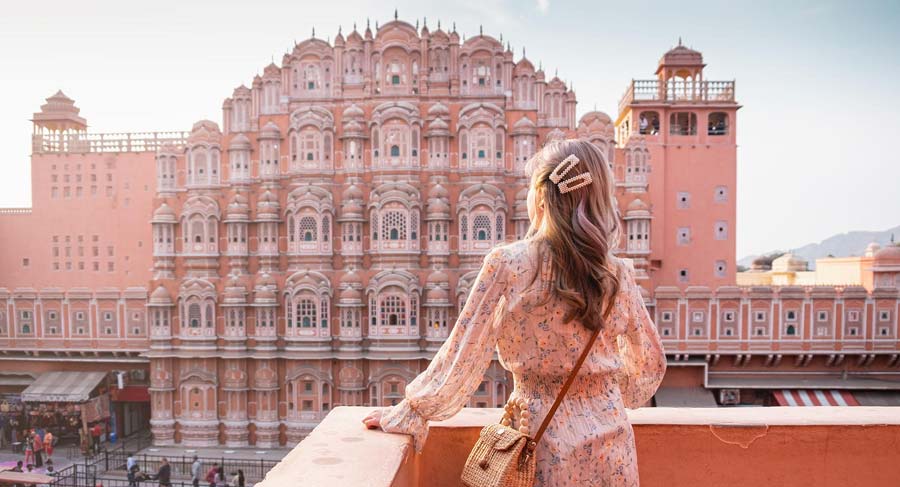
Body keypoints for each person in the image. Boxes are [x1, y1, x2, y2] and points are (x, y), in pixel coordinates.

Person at [363, 139, 667, 486]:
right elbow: (651, 364)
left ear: (540, 196)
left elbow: (464, 352)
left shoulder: (509, 265)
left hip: (540, 438)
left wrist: (413, 411)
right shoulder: (618, 275)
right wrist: (604, 393)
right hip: (612, 443)